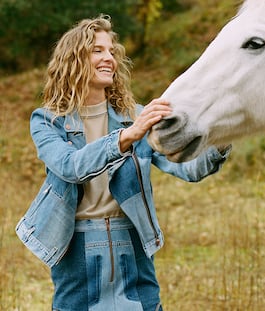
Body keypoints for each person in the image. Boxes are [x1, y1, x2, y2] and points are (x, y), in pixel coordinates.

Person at [15, 15, 231, 311]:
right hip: (76, 247)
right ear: (73, 59)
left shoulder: (135, 117)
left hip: (131, 239)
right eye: (97, 50)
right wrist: (128, 136)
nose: (109, 58)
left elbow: (188, 169)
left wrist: (221, 137)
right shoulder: (48, 121)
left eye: (112, 51)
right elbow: (70, 166)